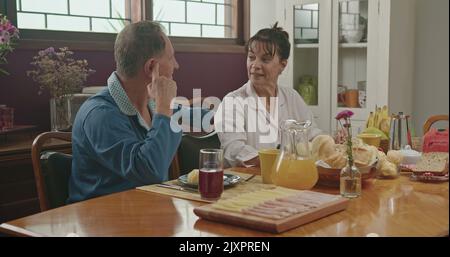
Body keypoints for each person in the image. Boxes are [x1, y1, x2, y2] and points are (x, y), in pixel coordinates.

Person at [68, 21, 183, 203]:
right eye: (171, 58)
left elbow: (201, 117)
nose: (176, 65)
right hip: (102, 223)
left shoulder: (151, 105)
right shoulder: (100, 115)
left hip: (147, 215)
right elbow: (150, 172)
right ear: (151, 67)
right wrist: (164, 107)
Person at [214, 23, 322, 168]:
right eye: (251, 57)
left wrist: (330, 144)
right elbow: (234, 149)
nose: (255, 65)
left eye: (265, 60)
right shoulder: (232, 101)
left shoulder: (292, 97)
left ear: (282, 65)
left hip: (288, 179)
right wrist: (279, 161)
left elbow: (313, 136)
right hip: (247, 185)